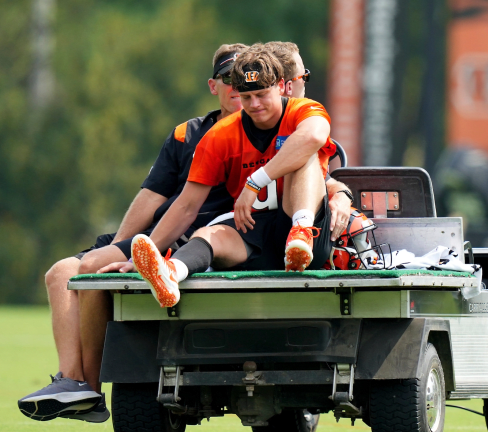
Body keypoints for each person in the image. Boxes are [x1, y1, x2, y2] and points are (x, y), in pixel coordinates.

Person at [16, 42, 249, 423]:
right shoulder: (186, 134)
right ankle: (75, 382)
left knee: (92, 273)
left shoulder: (260, 131)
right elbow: (151, 195)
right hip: (159, 235)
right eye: (228, 79)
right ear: (214, 85)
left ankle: (85, 388)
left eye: (244, 79)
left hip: (199, 241)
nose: (236, 88)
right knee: (61, 273)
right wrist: (122, 246)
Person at [115, 43, 338, 309]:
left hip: (306, 236)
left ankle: (300, 231)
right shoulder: (219, 135)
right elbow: (186, 206)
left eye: (262, 94)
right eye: (246, 97)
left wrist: (255, 182)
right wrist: (137, 259)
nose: (254, 105)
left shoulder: (302, 111)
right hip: (255, 230)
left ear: (281, 86)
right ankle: (171, 273)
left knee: (303, 154)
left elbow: (313, 137)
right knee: (208, 234)